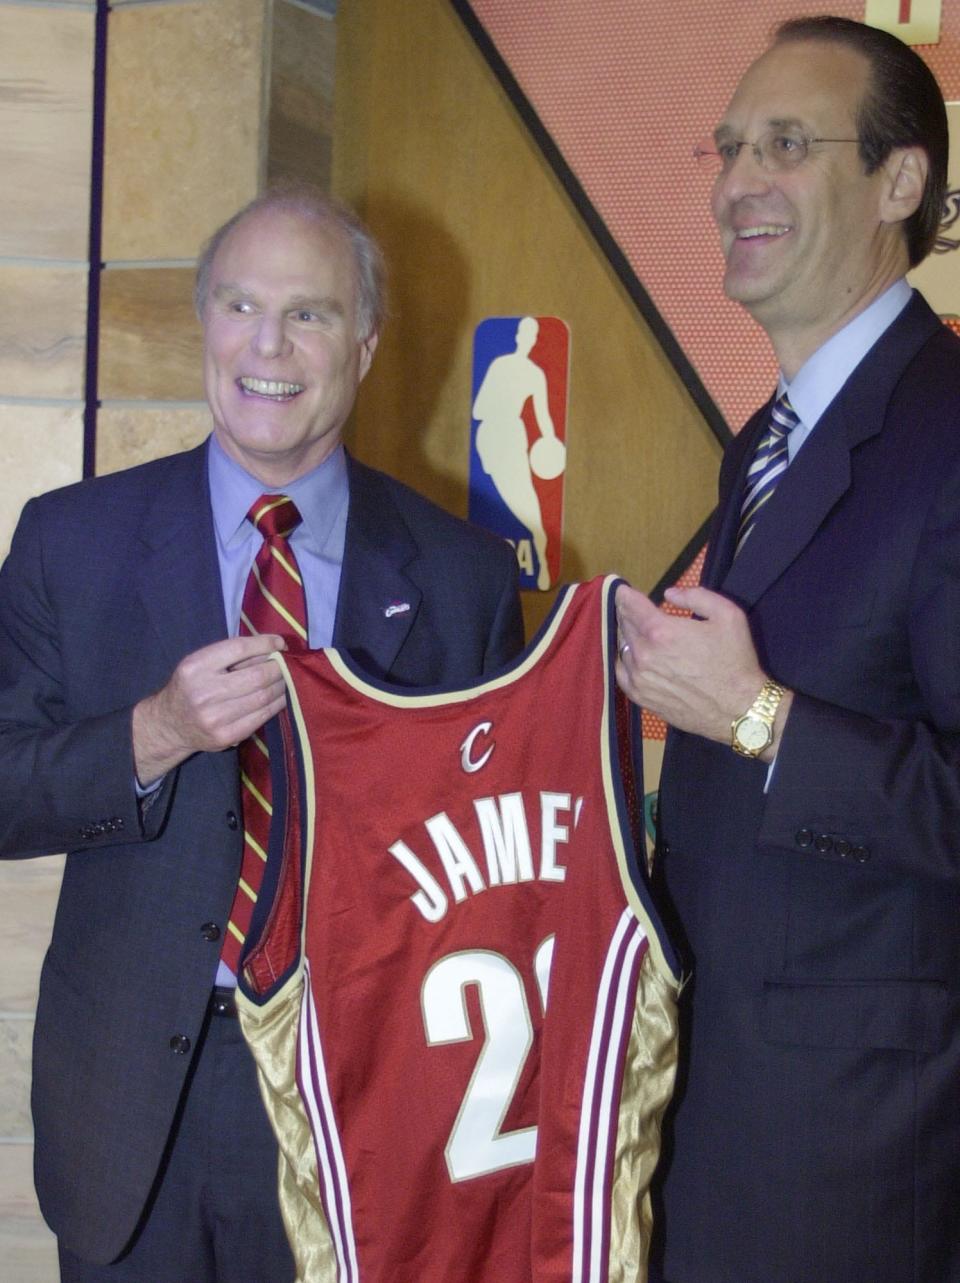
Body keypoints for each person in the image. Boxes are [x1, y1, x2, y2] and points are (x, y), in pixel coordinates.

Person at [0, 183, 523, 1281]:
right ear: (204, 325)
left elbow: (497, 865)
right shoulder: (72, 542)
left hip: (364, 1106)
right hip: (131, 1115)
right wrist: (149, 732)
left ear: (368, 343)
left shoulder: (463, 578)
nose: (268, 344)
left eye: (311, 313)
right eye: (240, 306)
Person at [615, 16, 959, 1283]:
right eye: (729, 148)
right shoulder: (766, 437)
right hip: (720, 1120)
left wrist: (761, 719)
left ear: (900, 180)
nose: (735, 183)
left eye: (787, 145)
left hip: (865, 1157)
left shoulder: (949, 428)